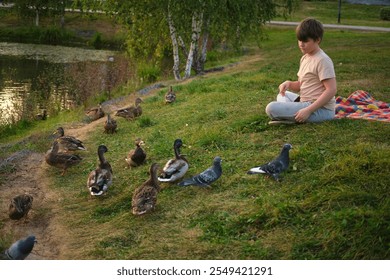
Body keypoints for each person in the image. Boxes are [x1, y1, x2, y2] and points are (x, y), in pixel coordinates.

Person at [265, 18, 337, 124]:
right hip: (305, 102)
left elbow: (331, 90)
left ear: (317, 40)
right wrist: (288, 83)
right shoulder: (305, 57)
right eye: (299, 40)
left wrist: (308, 110)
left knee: (271, 108)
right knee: (283, 95)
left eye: (305, 41)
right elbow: (300, 85)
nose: (301, 44)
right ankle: (291, 116)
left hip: (321, 110)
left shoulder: (323, 60)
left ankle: (292, 117)